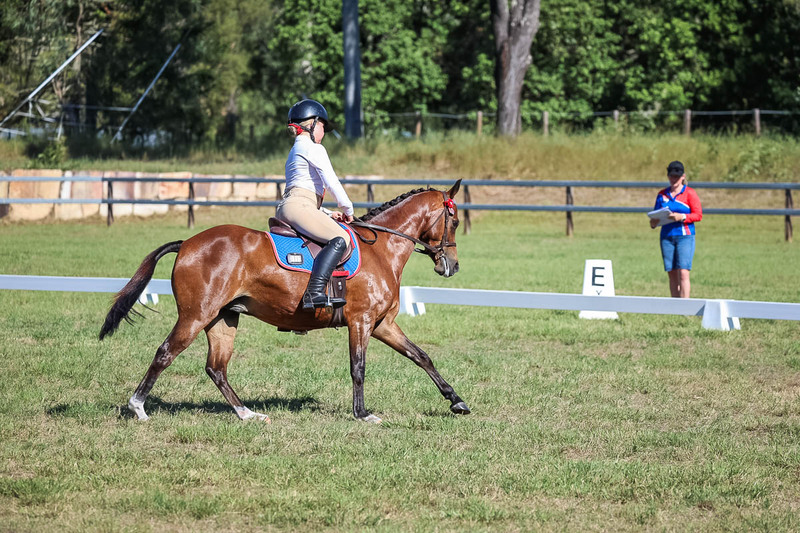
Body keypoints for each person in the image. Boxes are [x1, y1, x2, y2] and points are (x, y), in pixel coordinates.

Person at [277, 99, 355, 310]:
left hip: (293, 206)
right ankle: (314, 292)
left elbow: (303, 190)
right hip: (299, 207)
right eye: (322, 126)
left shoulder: (296, 149)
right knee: (341, 238)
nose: (323, 132)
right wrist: (348, 209)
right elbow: (331, 182)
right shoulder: (313, 148)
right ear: (311, 124)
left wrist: (328, 213)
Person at [650, 160, 703, 298]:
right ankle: (675, 304)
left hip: (685, 236)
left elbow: (698, 215)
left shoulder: (689, 193)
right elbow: (656, 215)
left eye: (677, 177)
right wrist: (654, 222)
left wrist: (681, 217)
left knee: (683, 272)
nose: (674, 179)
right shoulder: (662, 195)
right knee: (672, 273)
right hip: (666, 236)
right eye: (671, 176)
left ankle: (684, 306)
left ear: (683, 177)